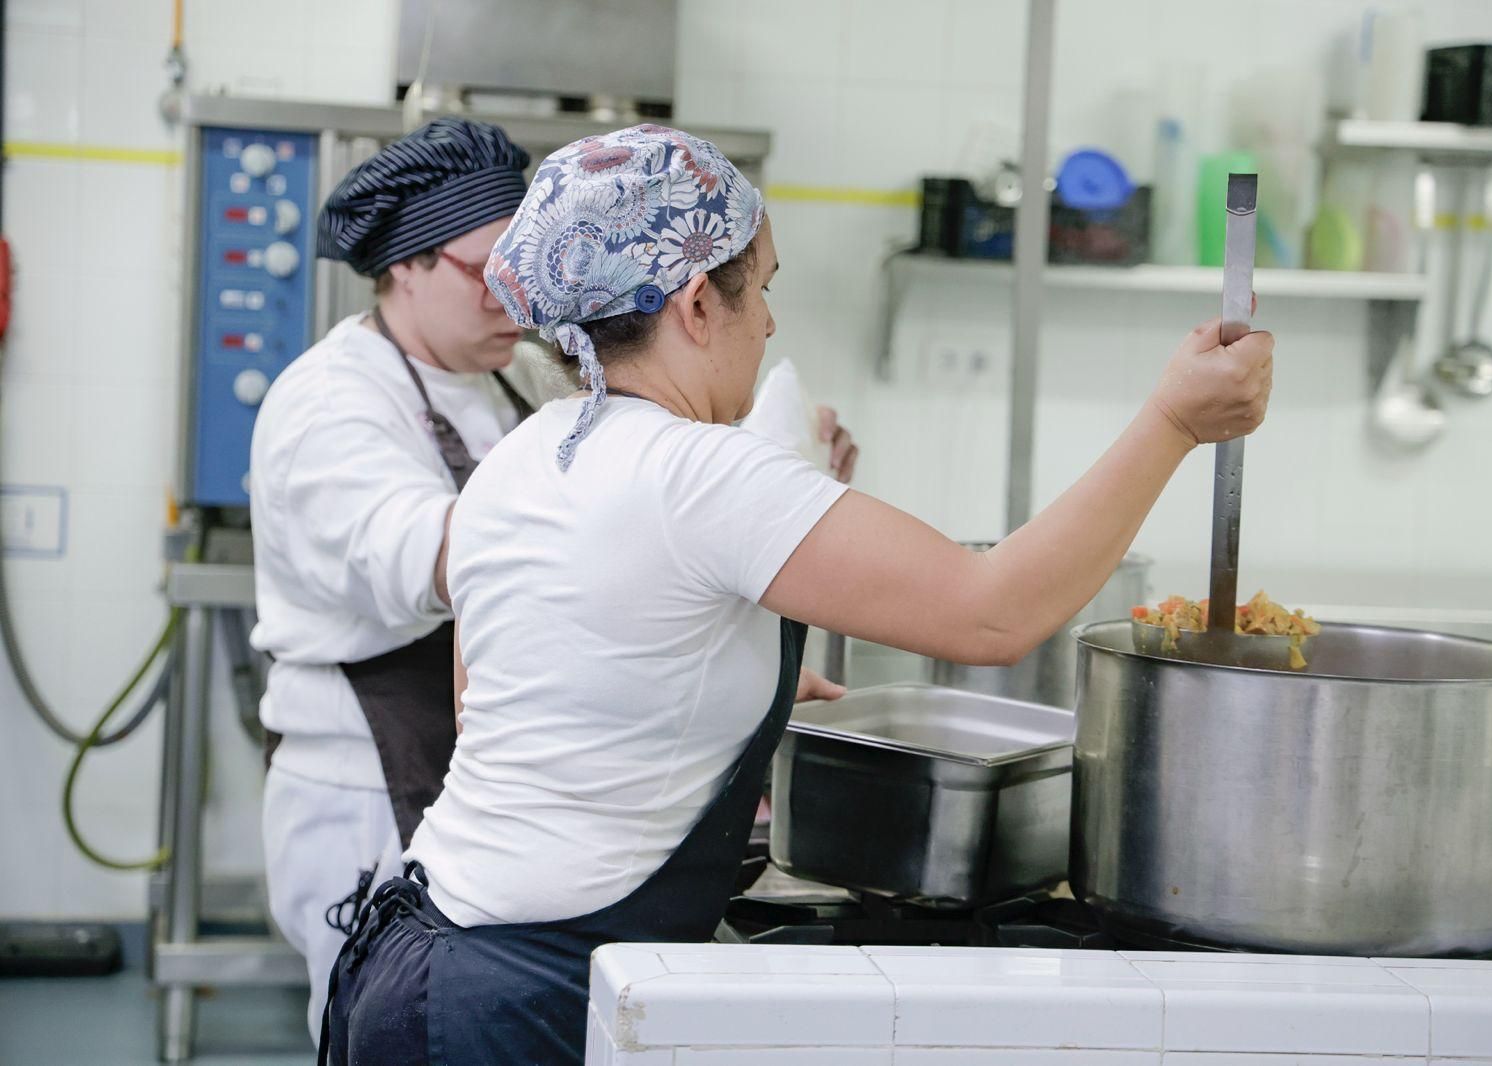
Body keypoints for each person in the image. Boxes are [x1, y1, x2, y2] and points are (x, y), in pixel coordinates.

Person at [320, 125, 1274, 1065]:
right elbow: (993, 611)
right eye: (763, 289)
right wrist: (1173, 421)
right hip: (517, 1000)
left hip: (416, 959)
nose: (771, 323)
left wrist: (697, 709)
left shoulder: (524, 456)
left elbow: (487, 702)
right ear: (697, 303)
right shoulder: (699, 471)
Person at [250, 116, 540, 1037]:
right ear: (407, 264)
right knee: (379, 1038)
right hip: (362, 794)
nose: (516, 301)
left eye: (524, 271)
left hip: (467, 776)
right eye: (487, 271)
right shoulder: (332, 402)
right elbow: (425, 558)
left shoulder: (516, 377)